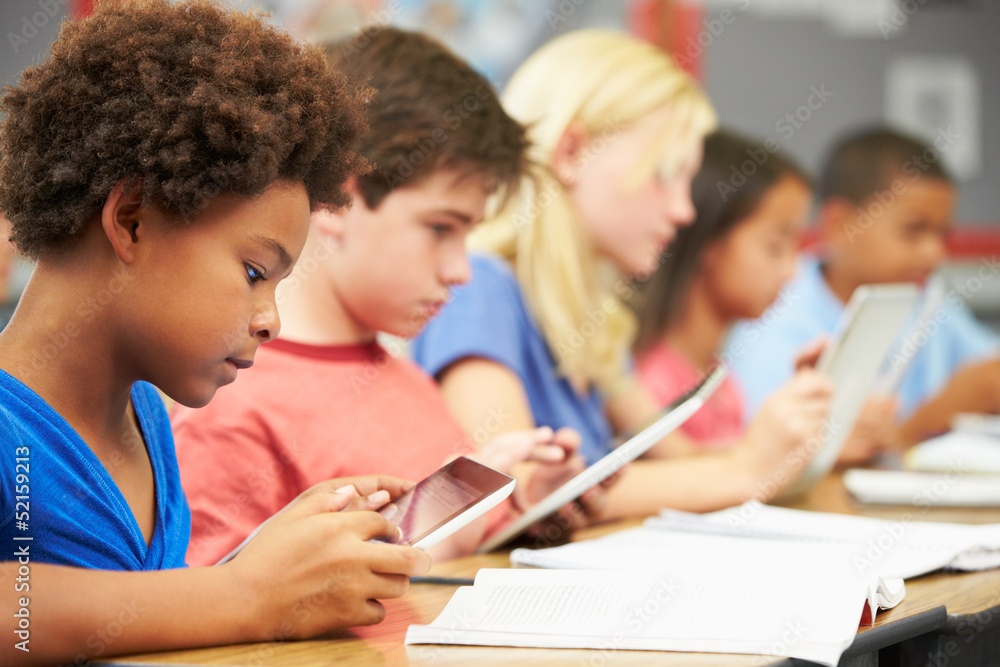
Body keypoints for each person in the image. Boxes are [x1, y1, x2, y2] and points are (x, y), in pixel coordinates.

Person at [0, 3, 430, 663]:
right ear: (134, 218)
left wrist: (274, 562)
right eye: (255, 271)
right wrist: (244, 594)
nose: (271, 319)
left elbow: (139, 618)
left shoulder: (145, 418)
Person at [172, 26, 585, 567]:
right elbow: (225, 610)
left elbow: (447, 547)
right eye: (440, 228)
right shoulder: (228, 403)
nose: (462, 270)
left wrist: (520, 498)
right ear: (339, 201)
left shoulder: (406, 383)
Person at [413, 30, 833, 521]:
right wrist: (746, 469)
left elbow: (682, 461)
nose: (683, 211)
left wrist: (783, 436)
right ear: (571, 153)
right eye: (664, 173)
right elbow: (513, 492)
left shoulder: (591, 319)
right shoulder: (479, 287)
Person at [631, 129, 896, 463]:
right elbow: (700, 475)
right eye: (774, 246)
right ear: (707, 243)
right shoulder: (650, 382)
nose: (792, 271)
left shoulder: (720, 381)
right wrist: (811, 447)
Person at [728, 127, 1000, 447]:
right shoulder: (774, 310)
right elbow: (769, 453)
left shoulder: (926, 299)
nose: (934, 253)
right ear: (839, 224)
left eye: (942, 234)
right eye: (913, 231)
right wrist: (924, 422)